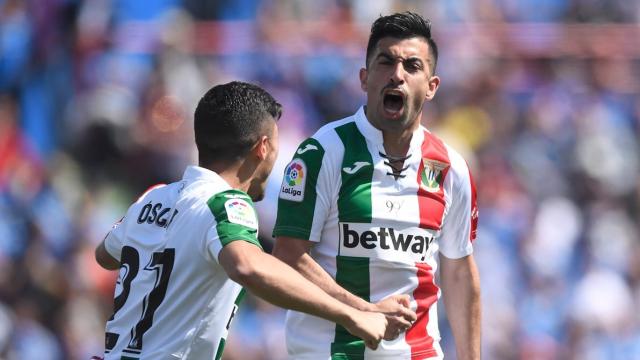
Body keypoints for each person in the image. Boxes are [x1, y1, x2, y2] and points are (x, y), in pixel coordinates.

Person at [94, 81, 416, 359]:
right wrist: (351, 316)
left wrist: (362, 307)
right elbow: (248, 265)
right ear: (263, 148)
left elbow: (105, 255)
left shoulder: (153, 199)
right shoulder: (226, 202)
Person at [272, 12, 481, 360]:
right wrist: (362, 311)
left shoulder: (451, 167)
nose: (397, 74)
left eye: (412, 66)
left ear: (432, 87)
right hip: (328, 352)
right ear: (365, 78)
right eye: (386, 62)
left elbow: (459, 271)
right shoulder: (323, 152)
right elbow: (287, 256)